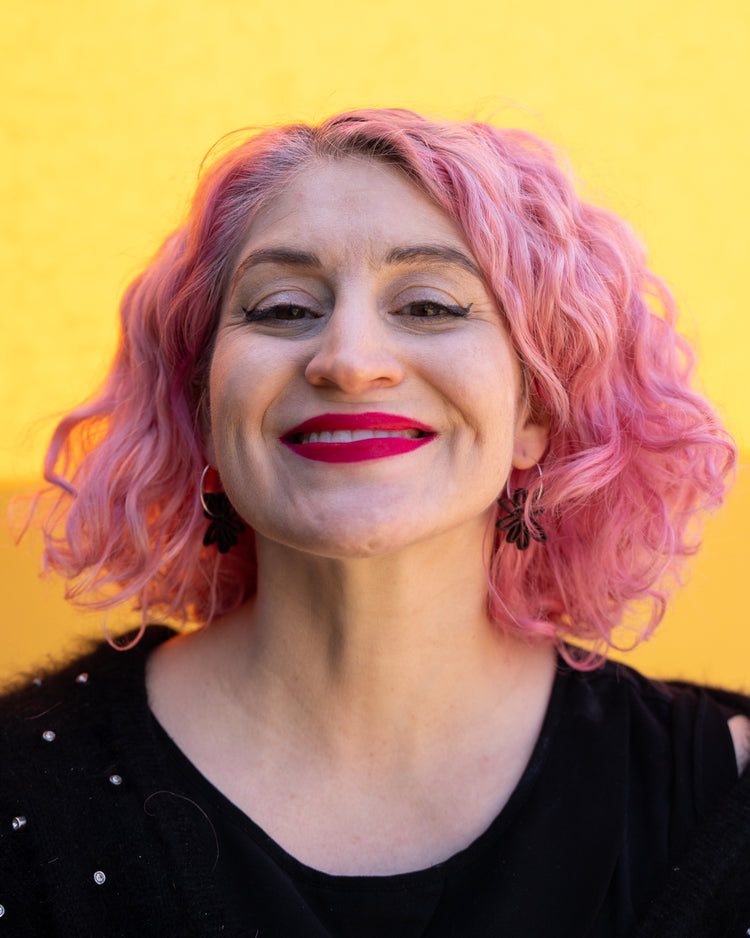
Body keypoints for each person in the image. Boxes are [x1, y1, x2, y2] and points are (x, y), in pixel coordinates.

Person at [1, 108, 748, 937]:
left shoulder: (725, 796)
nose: (350, 361)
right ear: (204, 406)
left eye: (429, 305)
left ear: (537, 412)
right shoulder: (18, 794)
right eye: (283, 308)